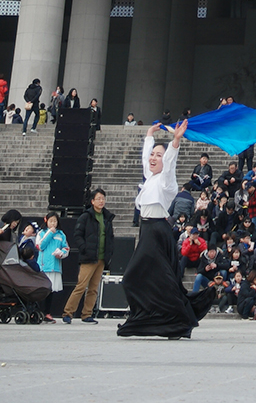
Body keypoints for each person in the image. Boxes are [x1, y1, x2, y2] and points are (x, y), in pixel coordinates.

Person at [119, 121, 217, 338]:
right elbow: (146, 160)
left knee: (133, 278)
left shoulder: (166, 181)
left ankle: (169, 320)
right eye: (153, 155)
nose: (153, 158)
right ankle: (152, 320)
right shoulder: (150, 177)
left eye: (158, 155)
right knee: (158, 282)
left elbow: (170, 163)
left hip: (157, 232)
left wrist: (175, 141)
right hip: (147, 231)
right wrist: (149, 135)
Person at [62, 189, 115, 323]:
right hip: (88, 257)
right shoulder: (86, 216)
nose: (101, 201)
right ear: (92, 201)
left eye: (103, 198)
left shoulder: (107, 217)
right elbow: (77, 234)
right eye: (98, 198)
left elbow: (110, 237)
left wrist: (109, 252)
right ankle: (68, 313)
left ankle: (87, 314)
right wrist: (84, 249)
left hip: (101, 258)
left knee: (93, 288)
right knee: (81, 286)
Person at [35, 211, 69, 322]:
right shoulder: (41, 233)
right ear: (46, 221)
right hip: (43, 266)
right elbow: (40, 246)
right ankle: (38, 311)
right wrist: (50, 233)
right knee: (42, 290)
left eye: (55, 221)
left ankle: (47, 313)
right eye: (51, 221)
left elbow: (66, 248)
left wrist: (61, 253)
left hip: (55, 266)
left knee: (51, 290)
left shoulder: (61, 234)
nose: (53, 223)